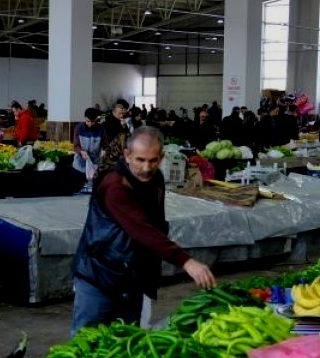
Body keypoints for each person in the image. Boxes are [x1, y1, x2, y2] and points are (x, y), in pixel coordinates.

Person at [70, 127, 217, 334]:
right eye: (140, 160)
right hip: (100, 275)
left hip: (132, 279)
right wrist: (186, 261)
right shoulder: (114, 185)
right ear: (127, 155)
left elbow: (157, 224)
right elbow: (142, 230)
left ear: (162, 157)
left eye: (153, 160)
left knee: (125, 343)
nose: (146, 167)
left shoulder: (155, 180)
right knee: (85, 345)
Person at [72, 107, 103, 188]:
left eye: (93, 121)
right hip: (79, 165)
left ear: (96, 119)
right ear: (85, 118)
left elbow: (105, 146)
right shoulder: (78, 128)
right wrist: (81, 152)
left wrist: (104, 153)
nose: (90, 124)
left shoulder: (101, 130)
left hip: (94, 165)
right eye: (88, 121)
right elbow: (76, 146)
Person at [98, 99, 131, 170]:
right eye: (122, 111)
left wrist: (124, 126)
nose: (123, 114)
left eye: (124, 113)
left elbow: (127, 136)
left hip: (120, 153)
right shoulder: (106, 118)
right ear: (117, 108)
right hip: (108, 152)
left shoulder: (122, 121)